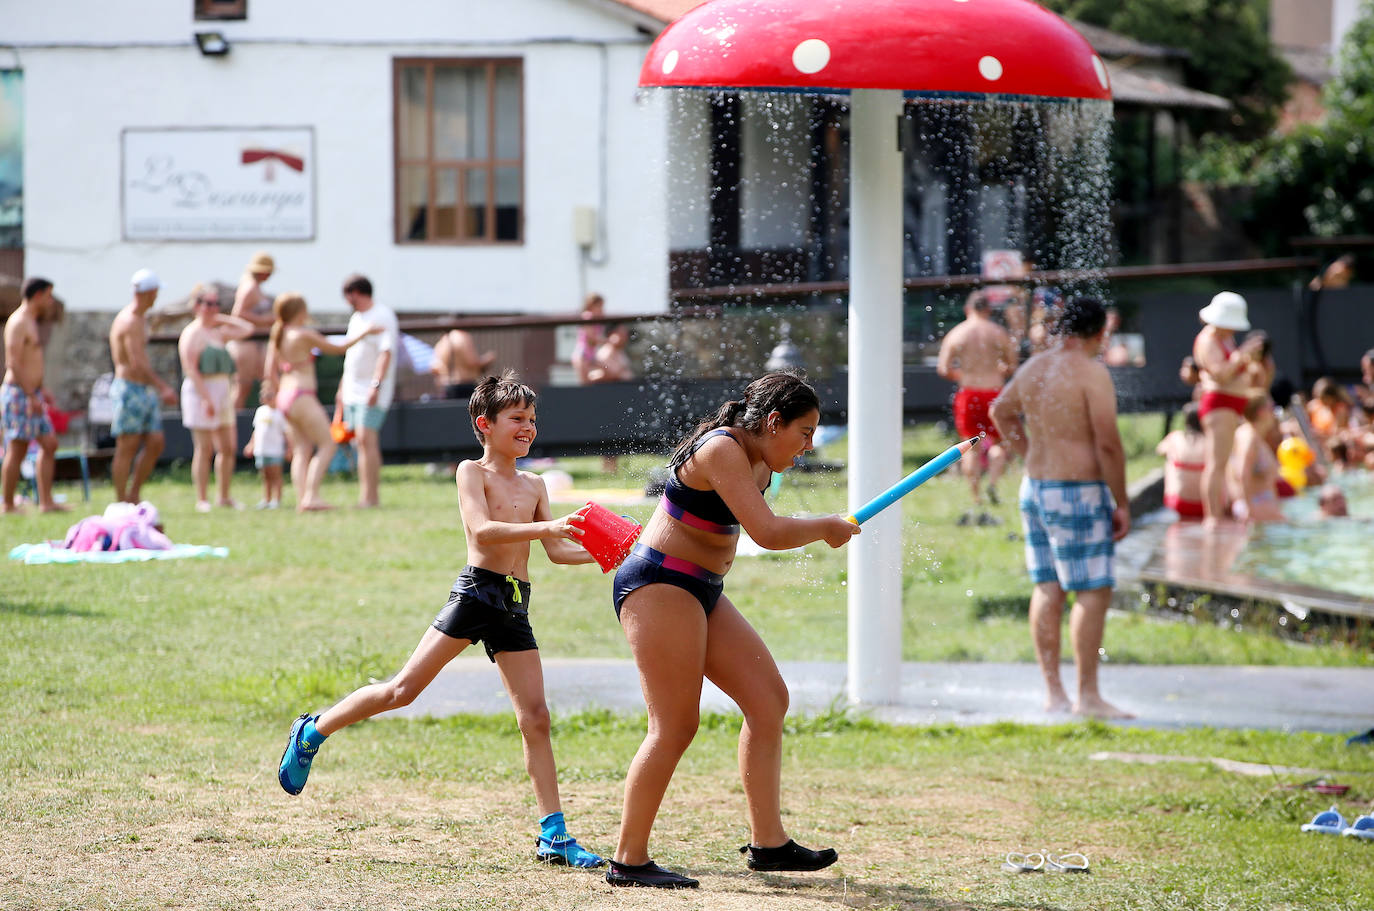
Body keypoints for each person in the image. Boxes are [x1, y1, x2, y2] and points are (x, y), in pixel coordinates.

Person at [277, 372, 606, 869]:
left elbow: (556, 552)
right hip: (477, 594)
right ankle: (313, 730)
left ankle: (554, 836)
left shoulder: (535, 483)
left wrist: (612, 555)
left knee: (535, 718)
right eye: (517, 419)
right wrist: (550, 524)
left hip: (515, 604)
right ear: (485, 424)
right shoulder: (471, 473)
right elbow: (483, 530)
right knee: (401, 692)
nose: (528, 428)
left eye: (532, 420)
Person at [607, 372, 860, 889]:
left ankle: (770, 845)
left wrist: (821, 523)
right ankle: (628, 861)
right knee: (675, 726)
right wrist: (826, 524)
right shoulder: (722, 448)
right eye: (804, 432)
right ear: (773, 422)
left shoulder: (762, 458)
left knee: (769, 701)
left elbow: (764, 524)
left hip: (701, 588)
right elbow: (766, 533)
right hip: (659, 583)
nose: (809, 445)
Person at [990, 296, 1133, 720]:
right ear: (1100, 333)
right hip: (1078, 489)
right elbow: (1107, 442)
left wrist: (1028, 451)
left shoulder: (1036, 366)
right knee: (1091, 589)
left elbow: (1001, 411)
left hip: (1035, 486)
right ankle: (1088, 697)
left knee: (1048, 586)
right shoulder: (1091, 372)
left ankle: (1054, 694)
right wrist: (1121, 501)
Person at [264, 292, 380, 512]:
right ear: (299, 312)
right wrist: (366, 332)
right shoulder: (302, 334)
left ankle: (302, 499)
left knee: (301, 449)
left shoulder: (277, 336)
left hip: (285, 397)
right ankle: (312, 496)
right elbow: (337, 348)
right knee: (327, 443)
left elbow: (269, 373)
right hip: (302, 395)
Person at [936, 289, 1018, 524]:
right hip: (994, 392)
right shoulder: (998, 332)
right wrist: (997, 370)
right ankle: (992, 483)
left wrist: (964, 374)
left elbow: (943, 369)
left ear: (967, 309)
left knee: (970, 444)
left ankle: (976, 497)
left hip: (969, 392)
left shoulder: (957, 333)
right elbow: (1011, 365)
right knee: (999, 443)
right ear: (989, 310)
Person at [178, 283, 254, 512]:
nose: (213, 308)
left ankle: (224, 496)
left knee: (228, 447)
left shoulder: (217, 331)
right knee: (204, 448)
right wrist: (205, 399)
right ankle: (202, 498)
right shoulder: (192, 333)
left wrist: (222, 317)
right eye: (208, 304)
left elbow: (246, 329)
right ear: (197, 306)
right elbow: (191, 368)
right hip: (202, 392)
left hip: (222, 390)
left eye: (216, 304)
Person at [1192, 291, 1264, 526]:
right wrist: (1241, 355)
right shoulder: (1207, 339)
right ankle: (1211, 516)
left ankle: (1221, 510)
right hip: (1219, 404)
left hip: (1231, 404)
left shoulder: (1225, 338)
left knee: (1224, 462)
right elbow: (1220, 374)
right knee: (1216, 462)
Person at [109, 269, 179, 504]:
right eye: (156, 292)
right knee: (127, 446)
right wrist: (163, 387)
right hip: (130, 389)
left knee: (155, 442)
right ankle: (121, 500)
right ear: (149, 292)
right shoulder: (129, 320)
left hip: (143, 390)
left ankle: (134, 494)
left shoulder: (140, 318)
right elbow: (137, 362)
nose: (157, 297)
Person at [2, 277, 68, 513]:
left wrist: (41, 390)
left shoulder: (31, 321)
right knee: (18, 448)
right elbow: (13, 362)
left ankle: (46, 502)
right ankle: (8, 504)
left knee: (49, 444)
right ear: (38, 295)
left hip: (32, 393)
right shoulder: (18, 322)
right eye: (49, 296)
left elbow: (31, 361)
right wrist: (30, 394)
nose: (51, 302)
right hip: (20, 394)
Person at [335, 274, 400, 508]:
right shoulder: (357, 318)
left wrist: (376, 384)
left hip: (370, 390)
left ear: (356, 293)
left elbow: (386, 352)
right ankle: (365, 496)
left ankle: (371, 497)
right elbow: (351, 356)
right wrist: (342, 388)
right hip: (352, 389)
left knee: (366, 439)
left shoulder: (382, 315)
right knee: (359, 442)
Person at [228, 252, 276, 409]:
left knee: (267, 381)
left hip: (256, 343)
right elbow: (238, 313)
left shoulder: (253, 286)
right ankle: (234, 422)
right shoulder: (249, 287)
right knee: (243, 386)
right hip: (246, 344)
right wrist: (266, 320)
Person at [1227, 395, 1285, 523]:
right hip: (1256, 506)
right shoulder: (1249, 438)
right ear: (1261, 412)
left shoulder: (1250, 434)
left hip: (1258, 504)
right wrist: (1248, 508)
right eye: (1272, 408)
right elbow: (1241, 473)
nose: (1274, 413)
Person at [1156, 402, 1206, 520]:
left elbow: (1159, 450)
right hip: (1206, 503)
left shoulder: (1175, 437)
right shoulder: (1210, 440)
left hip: (1178, 502)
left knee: (1171, 461)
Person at [243, 399, 288, 509]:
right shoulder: (260, 411)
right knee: (265, 476)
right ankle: (266, 499)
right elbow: (256, 430)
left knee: (276, 476)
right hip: (261, 450)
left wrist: (289, 448)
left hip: (275, 451)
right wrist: (251, 444)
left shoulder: (280, 413)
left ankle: (277, 499)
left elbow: (286, 432)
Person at [431, 325, 496, 399]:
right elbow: (472, 362)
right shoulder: (462, 337)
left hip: (447, 386)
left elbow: (434, 367)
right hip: (465, 385)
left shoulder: (442, 341)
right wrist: (488, 359)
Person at [571, 293, 606, 385]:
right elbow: (592, 338)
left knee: (603, 374)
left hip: (591, 354)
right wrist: (608, 341)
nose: (602, 309)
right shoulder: (588, 316)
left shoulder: (597, 319)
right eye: (599, 306)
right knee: (585, 383)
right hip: (583, 354)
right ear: (592, 305)